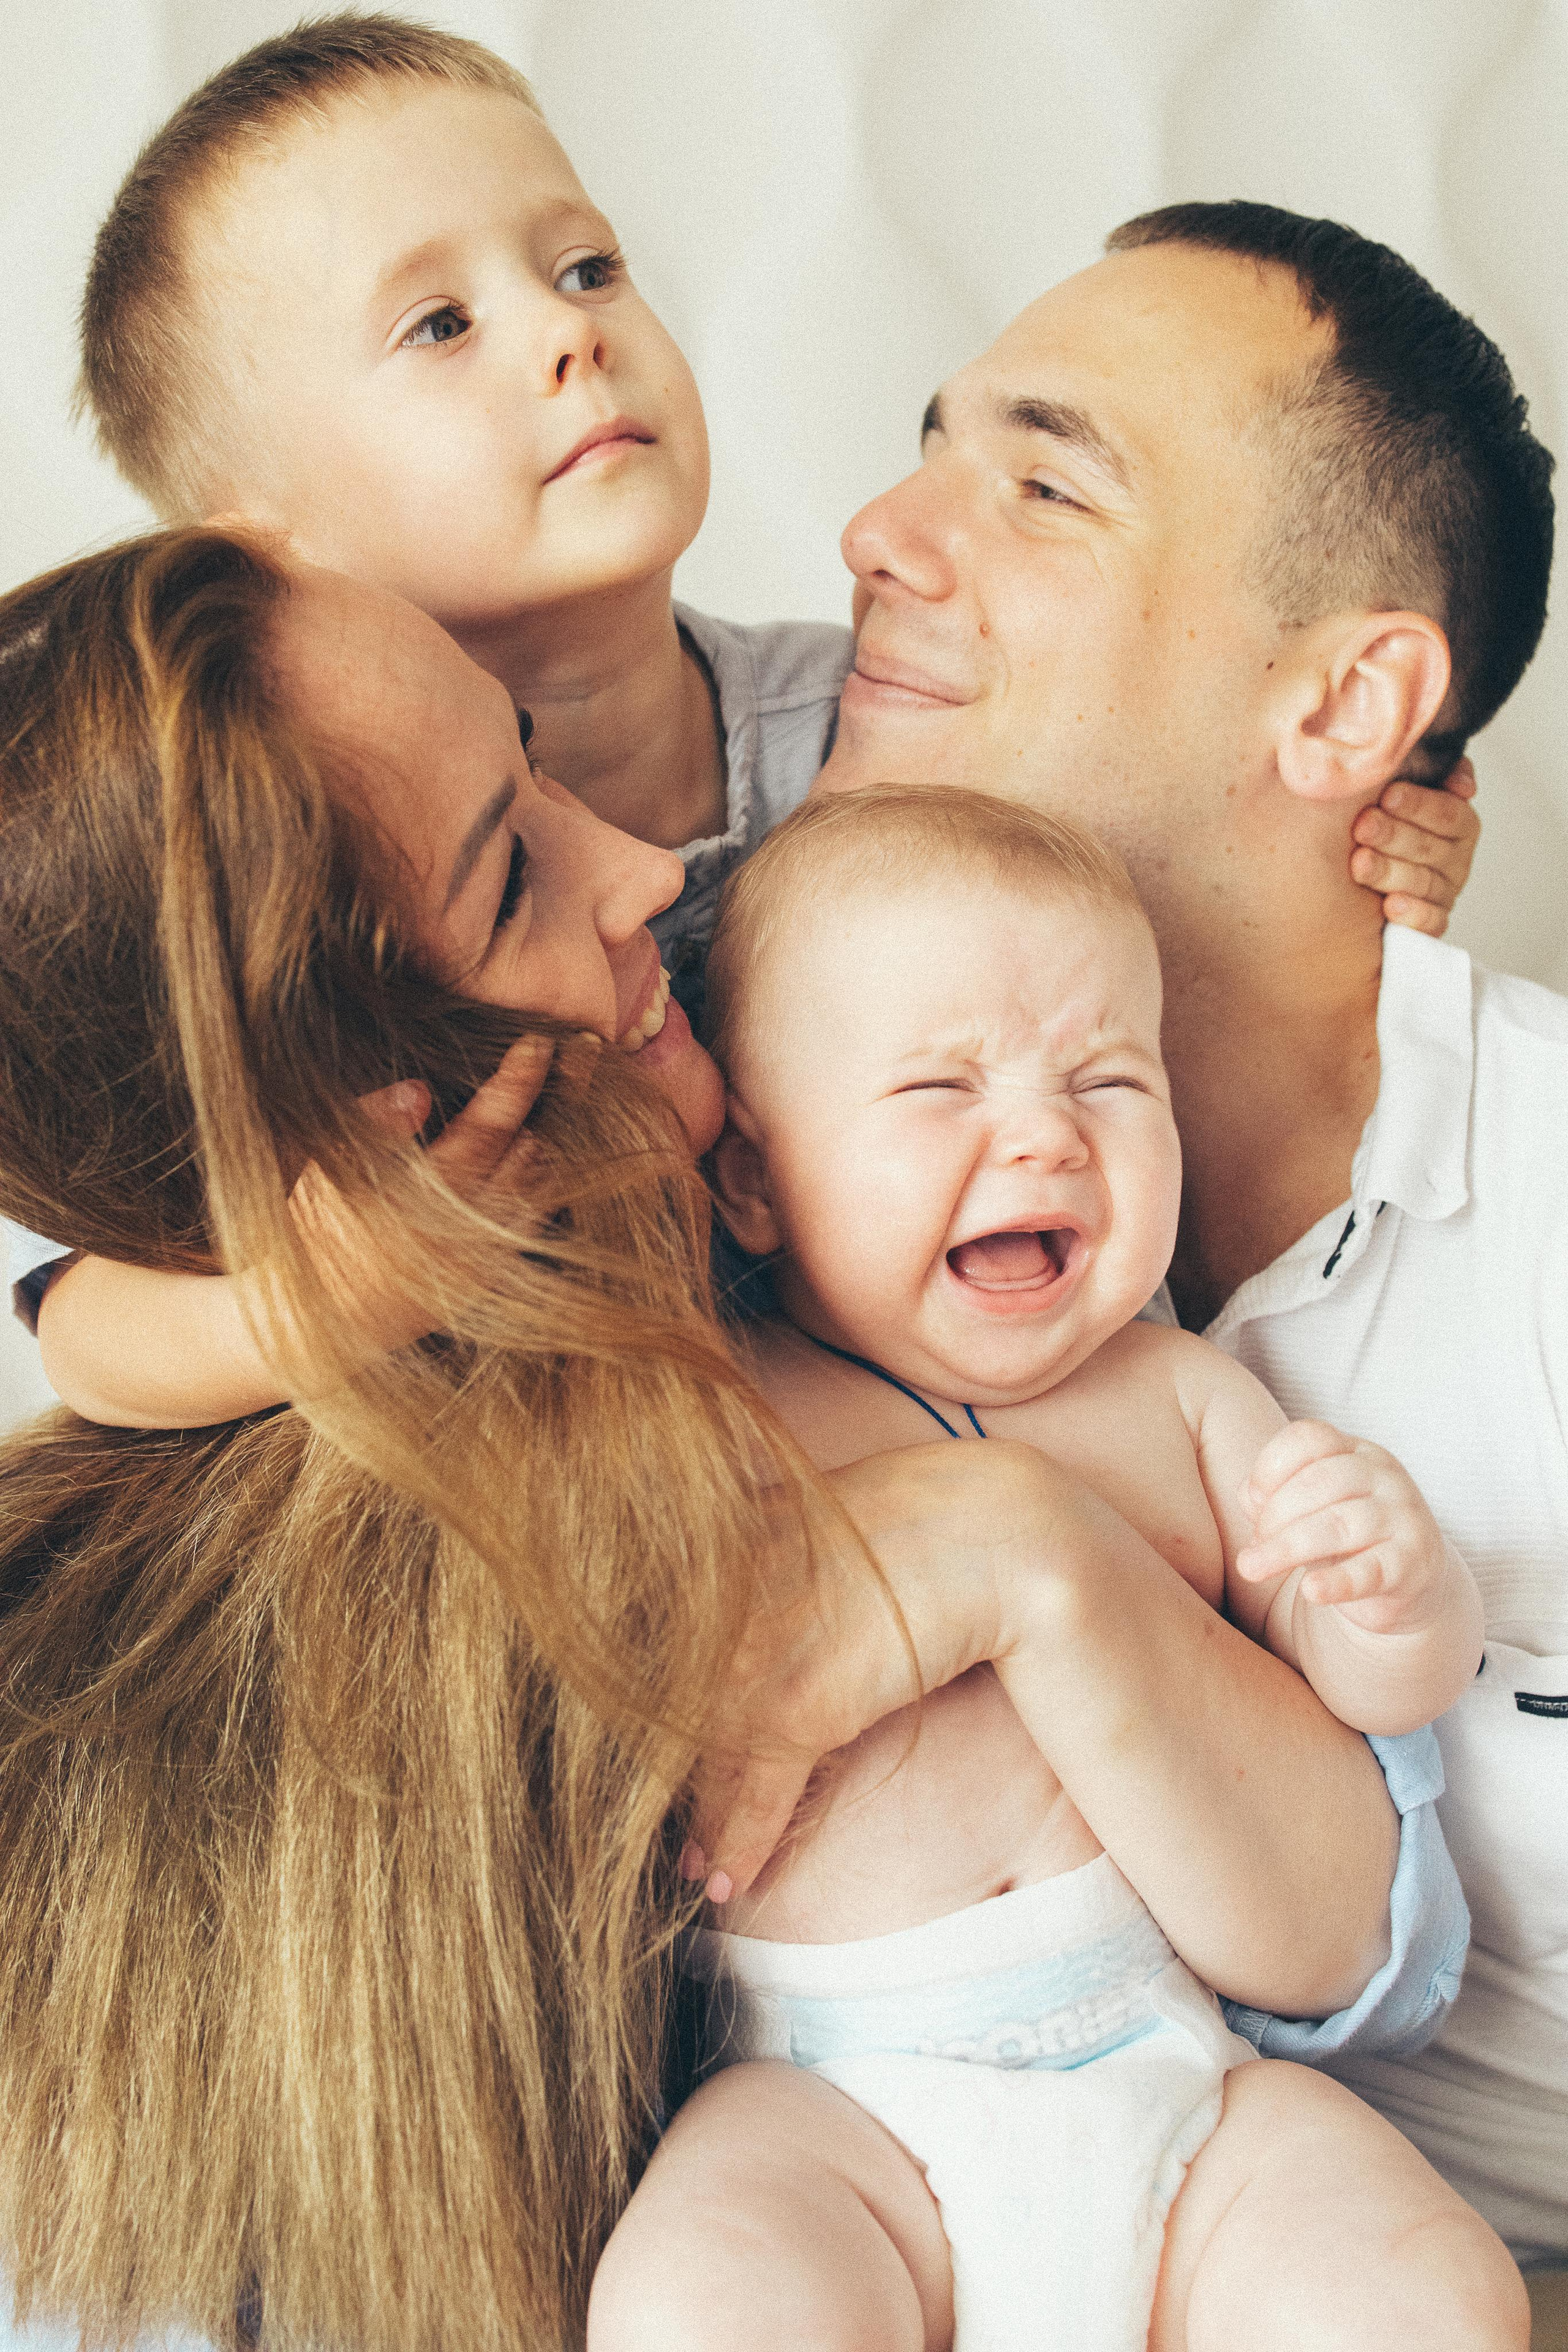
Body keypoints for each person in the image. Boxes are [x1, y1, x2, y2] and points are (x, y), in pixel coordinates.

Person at [0, 527, 1428, 2349]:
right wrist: (278, 1313)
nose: (652, 867)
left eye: (537, 759)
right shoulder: (282, 1681)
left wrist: (1030, 1556)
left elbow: (1370, 1944)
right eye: (512, 879)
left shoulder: (899, 1252)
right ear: (351, 1117)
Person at [9, 15, 1471, 1412]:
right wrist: (318, 1302)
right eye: (440, 323)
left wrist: (1358, 858)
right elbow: (85, 1321)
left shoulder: (889, 724)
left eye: (586, 268)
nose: (567, 332)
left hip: (1024, 1398)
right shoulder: (275, 873)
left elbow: (1164, 867)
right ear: (258, 557)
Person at [807, 202, 1563, 2282]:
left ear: (1346, 706)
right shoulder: (748, 1157)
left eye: (1048, 486)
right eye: (930, 449)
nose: (876, 533)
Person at [588, 785, 1519, 2350]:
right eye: (938, 1085)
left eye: (1106, 1078)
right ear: (749, 1177)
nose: (1042, 1133)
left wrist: (1392, 1592)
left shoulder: (1181, 1399)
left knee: (1419, 2285)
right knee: (706, 2301)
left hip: (1182, 2077)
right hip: (823, 2100)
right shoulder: (714, 1415)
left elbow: (1366, 1685)